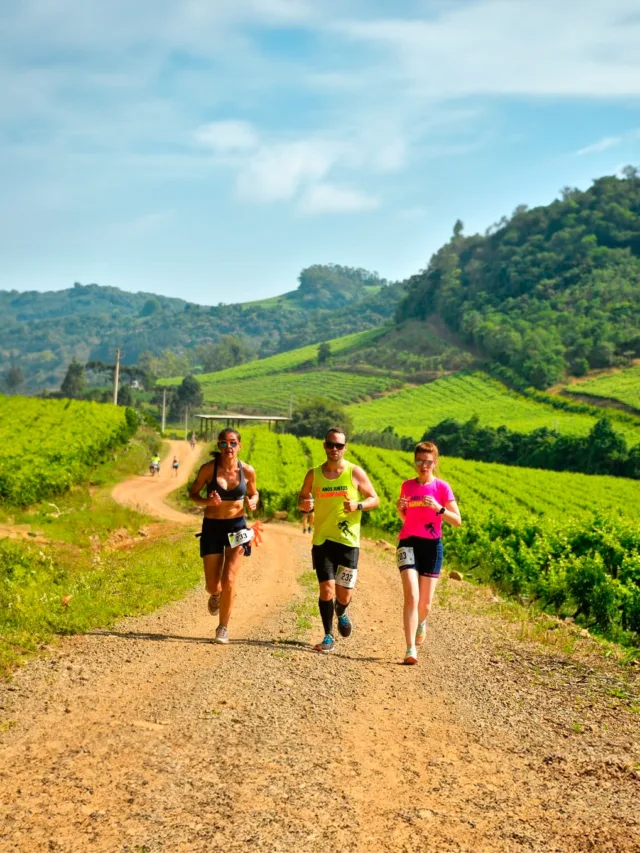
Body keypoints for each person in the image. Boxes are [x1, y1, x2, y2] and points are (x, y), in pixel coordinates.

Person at [298, 427, 379, 653]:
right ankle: (327, 636)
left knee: (343, 595)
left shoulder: (354, 472)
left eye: (339, 445)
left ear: (345, 448)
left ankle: (341, 612)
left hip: (348, 542)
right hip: (322, 540)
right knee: (326, 590)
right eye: (331, 444)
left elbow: (375, 499)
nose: (334, 449)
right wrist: (304, 504)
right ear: (324, 446)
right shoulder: (313, 474)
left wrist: (358, 505)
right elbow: (302, 498)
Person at [188, 428, 261, 644]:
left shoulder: (247, 471)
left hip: (237, 527)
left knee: (229, 577)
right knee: (213, 584)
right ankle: (215, 595)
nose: (227, 447)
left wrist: (253, 500)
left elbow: (254, 492)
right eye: (223, 443)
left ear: (239, 446)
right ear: (218, 446)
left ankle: (223, 628)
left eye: (232, 443)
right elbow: (193, 493)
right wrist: (206, 502)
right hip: (212, 527)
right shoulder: (208, 470)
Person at [396, 441, 461, 665]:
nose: (423, 466)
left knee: (425, 603)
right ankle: (410, 648)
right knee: (411, 597)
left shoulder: (442, 487)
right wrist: (400, 510)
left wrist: (438, 508)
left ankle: (422, 622)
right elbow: (408, 519)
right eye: (419, 461)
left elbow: (457, 521)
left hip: (432, 547)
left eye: (427, 462)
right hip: (407, 542)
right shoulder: (407, 485)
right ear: (414, 461)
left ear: (435, 462)